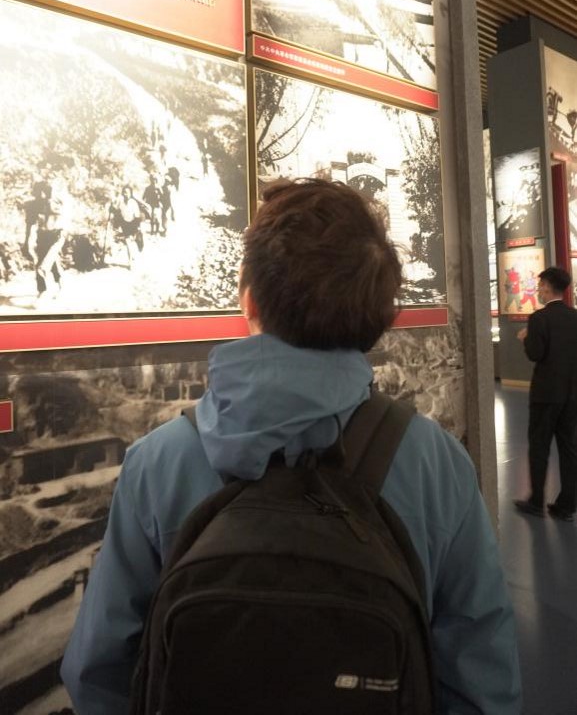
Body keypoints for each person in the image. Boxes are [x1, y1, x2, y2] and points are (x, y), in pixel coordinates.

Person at [61, 178, 521, 714]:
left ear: (248, 298)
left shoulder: (158, 462)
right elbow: (481, 676)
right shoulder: (436, 464)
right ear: (379, 319)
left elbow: (98, 669)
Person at [514, 266, 577, 521]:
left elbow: (535, 353)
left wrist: (525, 338)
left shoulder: (539, 318)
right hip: (571, 393)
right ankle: (567, 505)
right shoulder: (574, 316)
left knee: (539, 446)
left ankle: (536, 501)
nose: (539, 290)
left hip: (545, 394)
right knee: (569, 448)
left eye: (540, 286)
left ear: (549, 287)